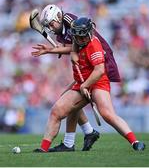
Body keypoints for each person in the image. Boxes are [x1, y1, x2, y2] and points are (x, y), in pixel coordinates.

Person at [34, 17, 145, 153]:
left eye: (82, 37)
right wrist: (73, 52)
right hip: (81, 83)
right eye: (77, 37)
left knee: (107, 114)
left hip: (97, 82)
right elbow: (74, 45)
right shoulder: (77, 38)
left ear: (89, 33)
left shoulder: (94, 45)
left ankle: (135, 142)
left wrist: (85, 85)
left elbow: (99, 71)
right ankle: (44, 148)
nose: (80, 40)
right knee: (57, 110)